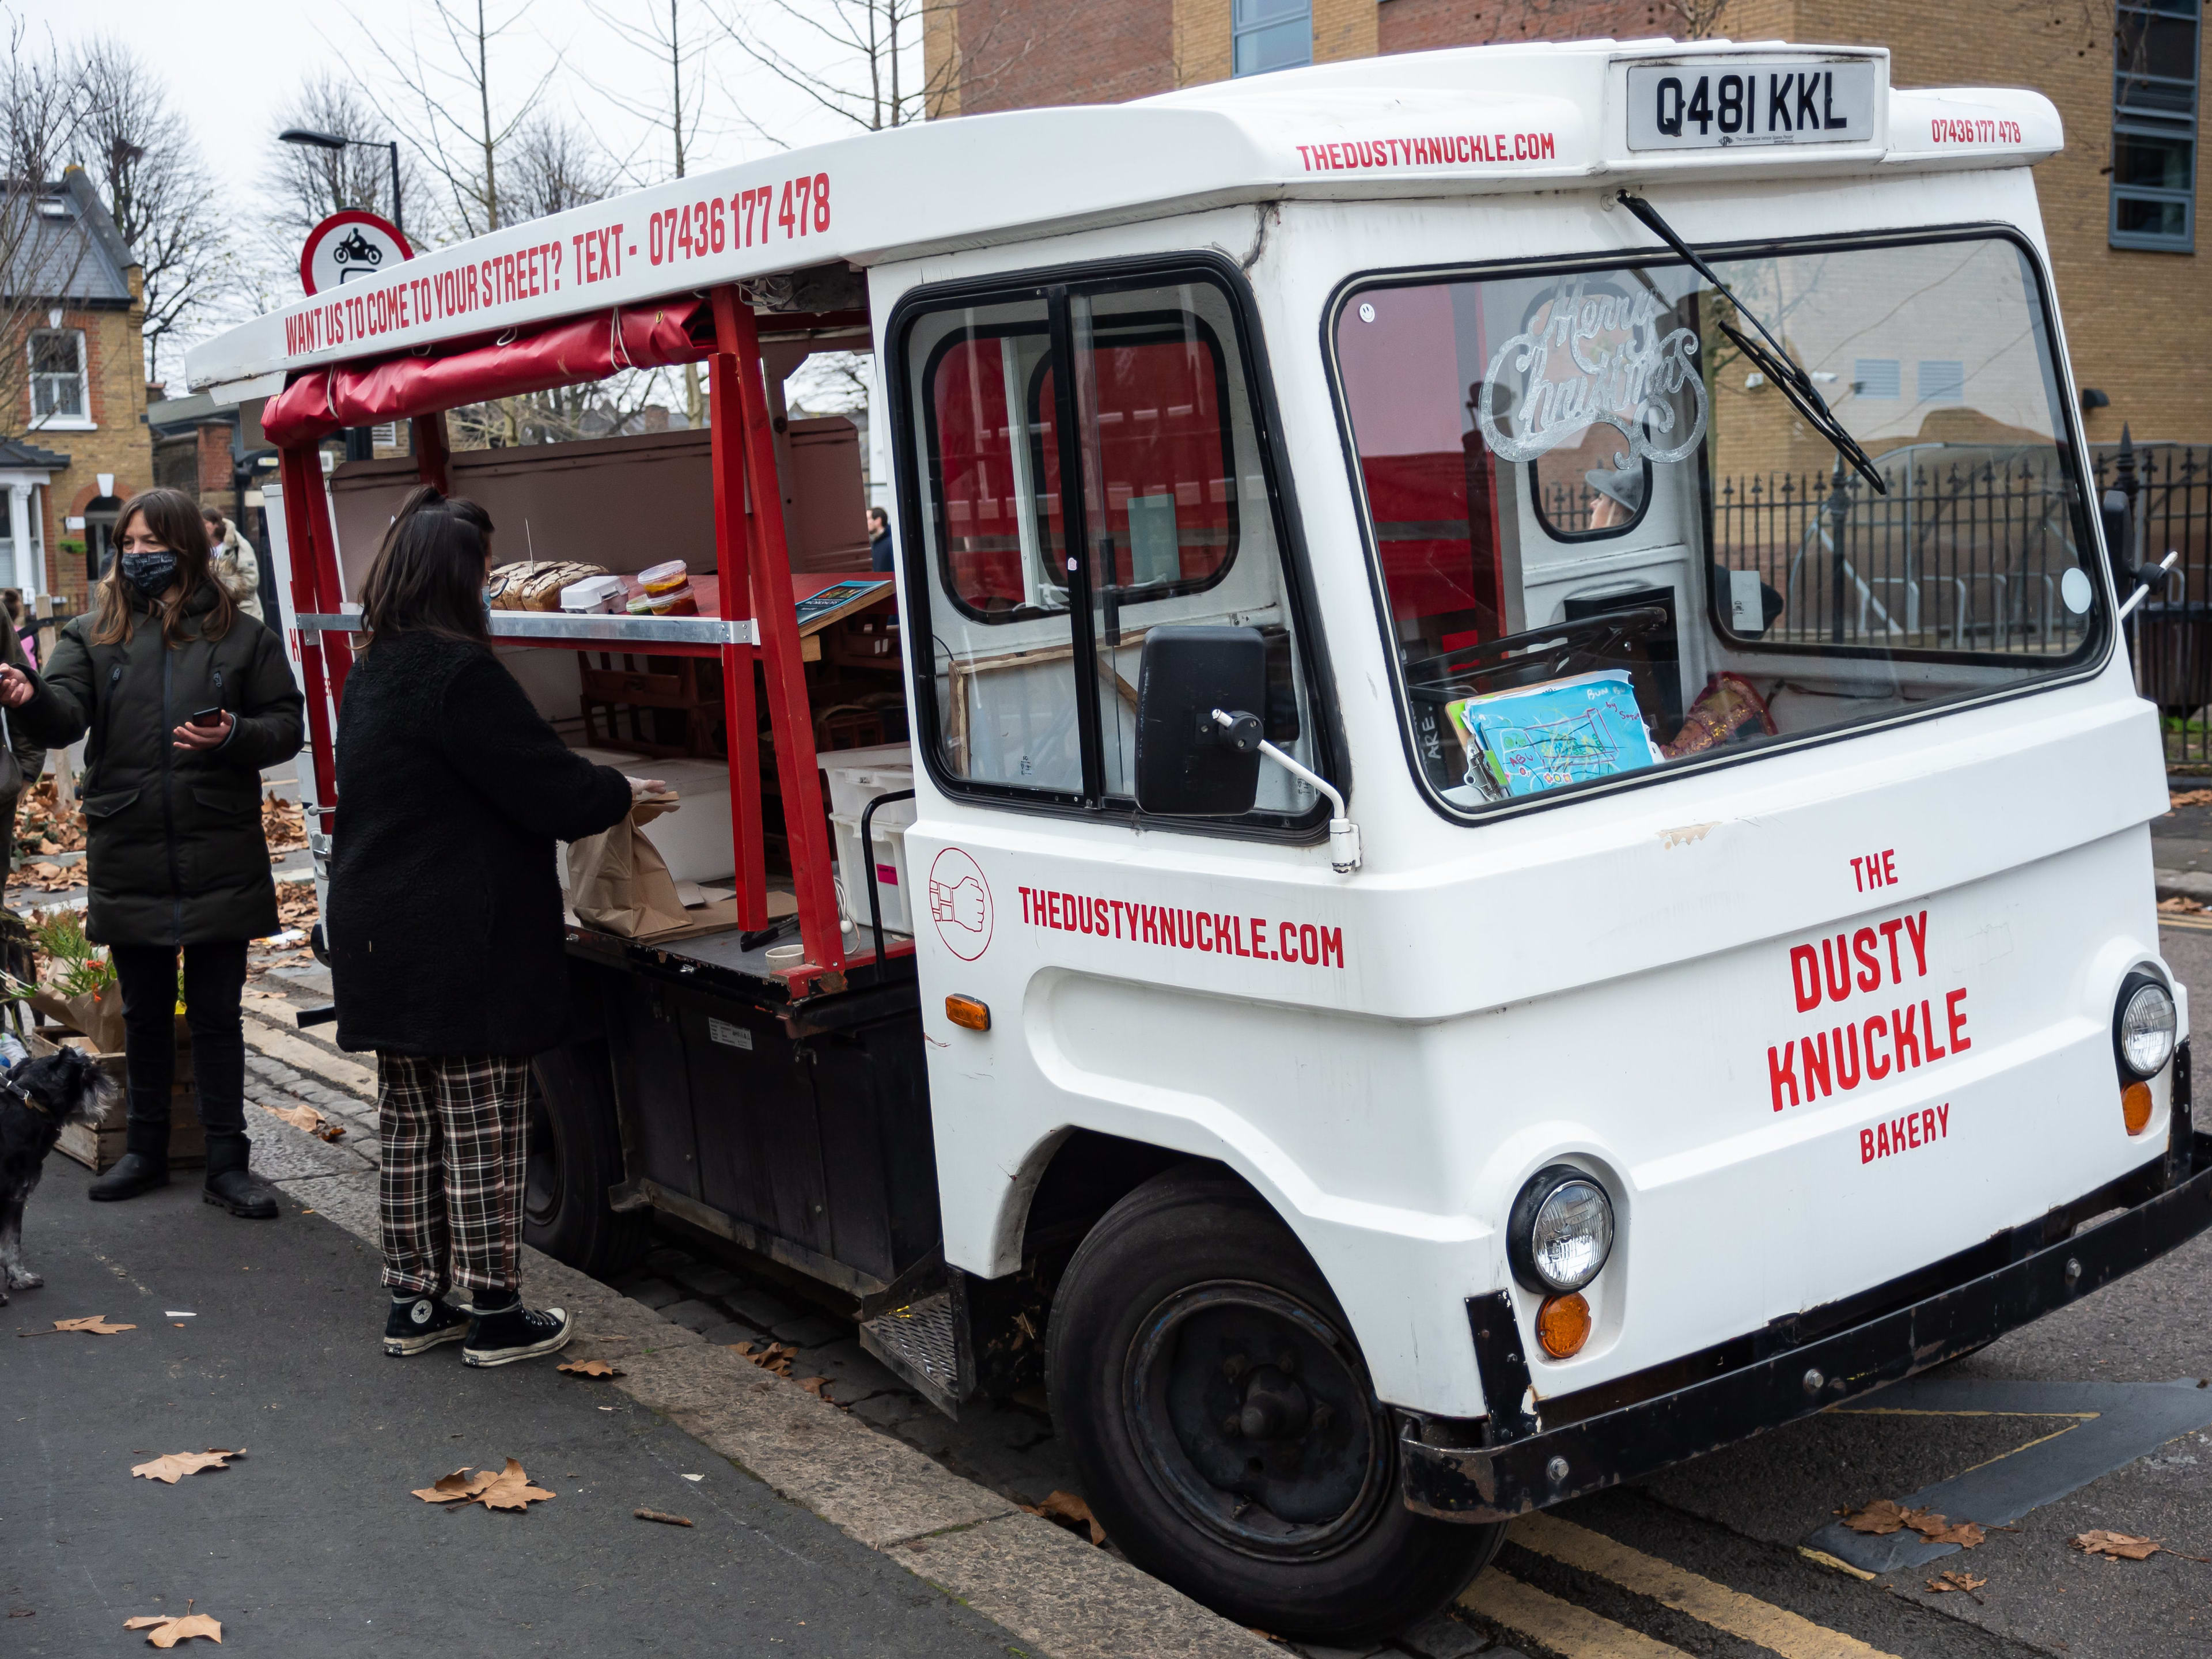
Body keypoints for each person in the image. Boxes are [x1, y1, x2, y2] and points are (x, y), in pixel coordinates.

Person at [327, 486, 654, 1367]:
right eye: (478, 570)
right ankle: (497, 1312)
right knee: (482, 1123)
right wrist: (621, 792)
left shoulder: (375, 666)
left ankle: (415, 1303)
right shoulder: (459, 674)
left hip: (377, 928)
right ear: (454, 579)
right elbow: (543, 785)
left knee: (410, 1122)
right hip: (457, 937)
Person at [0, 487, 303, 1217]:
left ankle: (228, 1163)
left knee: (216, 1013)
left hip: (217, 843)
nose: (137, 555)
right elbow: (68, 716)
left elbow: (287, 724)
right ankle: (144, 1150)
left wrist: (233, 735)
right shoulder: (92, 632)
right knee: (140, 1011)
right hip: (129, 843)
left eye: (151, 543)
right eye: (127, 545)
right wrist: (28, 695)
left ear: (188, 548)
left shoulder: (242, 635)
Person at [202, 506, 264, 624]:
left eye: (205, 523)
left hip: (245, 612)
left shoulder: (239, 545)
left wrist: (226, 592)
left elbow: (251, 579)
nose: (202, 527)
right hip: (218, 616)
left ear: (216, 524)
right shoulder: (201, 549)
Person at [868, 505, 892, 573]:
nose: (866, 522)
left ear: (878, 521)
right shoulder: (876, 543)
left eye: (868, 519)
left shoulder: (890, 542)